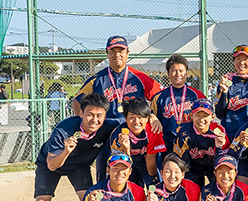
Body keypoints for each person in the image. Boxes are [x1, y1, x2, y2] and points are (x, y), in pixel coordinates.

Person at [33, 93, 118, 201]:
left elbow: (130, 123)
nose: (94, 119)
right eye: (90, 114)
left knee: (89, 199)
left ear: (105, 116)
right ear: (81, 113)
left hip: (79, 166)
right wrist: (66, 151)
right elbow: (51, 165)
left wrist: (152, 117)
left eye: (99, 115)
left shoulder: (108, 127)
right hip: (52, 162)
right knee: (42, 200)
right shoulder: (64, 129)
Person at [73, 36, 163, 181]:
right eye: (112, 51)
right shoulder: (98, 79)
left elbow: (160, 95)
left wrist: (151, 115)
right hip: (106, 130)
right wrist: (86, 124)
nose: (117, 54)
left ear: (127, 53)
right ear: (107, 54)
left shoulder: (139, 77)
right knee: (106, 171)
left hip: (135, 128)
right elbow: (77, 101)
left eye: (121, 50)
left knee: (141, 172)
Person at [150, 53, 206, 155]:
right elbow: (150, 116)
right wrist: (151, 116)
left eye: (181, 71)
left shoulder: (197, 95)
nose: (178, 74)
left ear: (186, 73)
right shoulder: (159, 98)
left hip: (192, 143)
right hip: (168, 144)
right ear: (168, 73)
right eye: (174, 71)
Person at [109, 97, 166, 186]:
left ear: (147, 118)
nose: (136, 122)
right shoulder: (117, 135)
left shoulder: (153, 131)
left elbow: (150, 161)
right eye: (132, 117)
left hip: (147, 160)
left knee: (155, 186)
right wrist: (126, 148)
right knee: (130, 187)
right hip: (129, 160)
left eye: (140, 117)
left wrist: (153, 182)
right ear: (125, 117)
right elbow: (122, 165)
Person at [215, 45, 248, 140]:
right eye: (238, 59)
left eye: (246, 59)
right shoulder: (226, 82)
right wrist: (224, 91)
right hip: (230, 135)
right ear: (233, 62)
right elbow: (220, 114)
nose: (241, 63)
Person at [173, 99, 229, 187]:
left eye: (205, 115)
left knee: (221, 184)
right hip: (192, 166)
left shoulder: (219, 131)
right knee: (191, 187)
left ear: (212, 116)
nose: (201, 119)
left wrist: (220, 147)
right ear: (191, 115)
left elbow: (224, 158)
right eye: (197, 115)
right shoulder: (184, 132)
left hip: (213, 165)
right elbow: (182, 161)